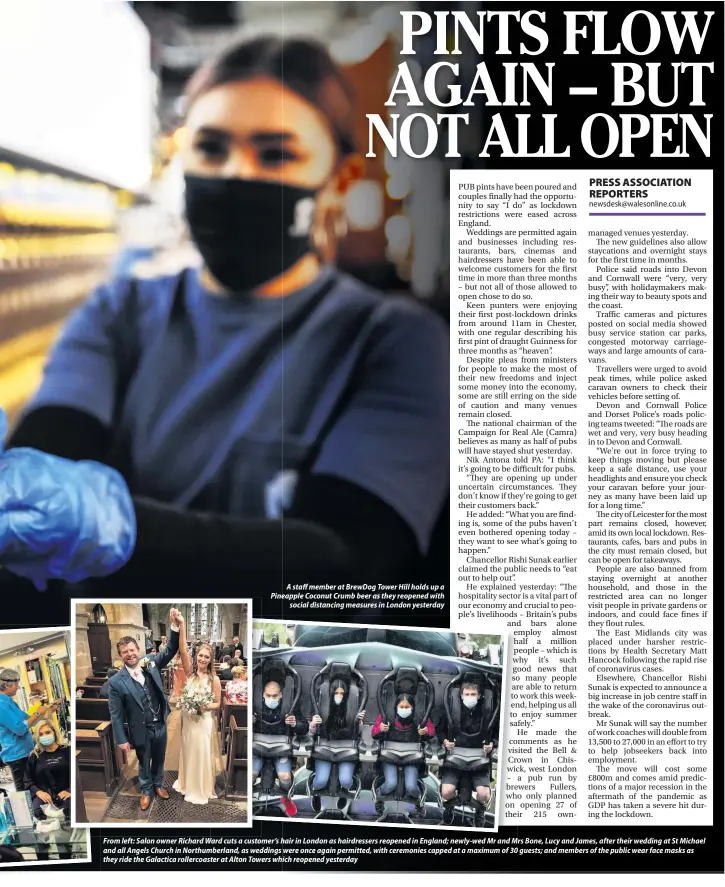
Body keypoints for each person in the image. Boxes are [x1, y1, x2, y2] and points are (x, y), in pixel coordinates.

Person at [0, 35, 448, 602]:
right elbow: (52, 449)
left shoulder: (397, 342)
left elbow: (349, 561)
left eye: (276, 153)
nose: (236, 174)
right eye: (211, 149)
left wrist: (114, 525)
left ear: (338, 179)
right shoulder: (119, 311)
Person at [107, 607, 182, 810]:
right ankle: (146, 790)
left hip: (161, 723)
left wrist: (174, 625)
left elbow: (170, 650)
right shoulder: (116, 682)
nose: (130, 654)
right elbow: (116, 713)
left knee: (159, 757)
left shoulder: (150, 663)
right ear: (121, 655)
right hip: (140, 728)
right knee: (144, 760)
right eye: (125, 652)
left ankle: (158, 784)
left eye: (132, 650)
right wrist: (121, 739)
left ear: (138, 649)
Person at [172, 624, 224, 805]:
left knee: (201, 752)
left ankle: (200, 787)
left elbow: (218, 703)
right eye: (200, 655)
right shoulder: (190, 673)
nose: (202, 659)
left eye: (206, 657)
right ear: (196, 656)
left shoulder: (214, 679)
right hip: (188, 720)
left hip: (203, 721)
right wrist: (181, 626)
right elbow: (182, 649)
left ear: (210, 660)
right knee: (188, 751)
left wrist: (203, 705)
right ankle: (187, 783)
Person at [252, 679, 308, 816]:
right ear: (263, 695)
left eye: (275, 696)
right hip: (258, 747)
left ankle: (287, 798)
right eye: (268, 695)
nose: (271, 698)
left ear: (281, 695)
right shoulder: (255, 707)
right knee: (251, 775)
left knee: (285, 777)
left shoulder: (290, 706)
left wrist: (295, 723)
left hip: (281, 747)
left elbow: (304, 726)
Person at [0, 668, 60, 791]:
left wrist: (48, 710)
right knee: (25, 791)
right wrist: (37, 714)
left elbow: (28, 721)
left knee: (36, 785)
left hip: (27, 751)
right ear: (7, 684)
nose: (18, 687)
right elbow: (20, 729)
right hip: (17, 755)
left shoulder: (9, 702)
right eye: (16, 684)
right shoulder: (1, 705)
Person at [438, 682, 494, 809]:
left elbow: (497, 732)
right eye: (467, 694)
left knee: (483, 794)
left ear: (479, 695)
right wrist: (445, 741)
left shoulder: (487, 711)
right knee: (446, 792)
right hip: (454, 757)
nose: (470, 697)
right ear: (461, 696)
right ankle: (450, 806)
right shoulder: (451, 709)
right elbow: (439, 730)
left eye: (473, 694)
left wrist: (492, 744)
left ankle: (480, 808)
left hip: (479, 757)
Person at [370, 693, 435, 799]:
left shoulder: (420, 718)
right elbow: (374, 733)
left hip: (412, 756)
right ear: (396, 707)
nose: (404, 709)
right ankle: (379, 794)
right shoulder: (386, 716)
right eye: (401, 707)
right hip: (390, 755)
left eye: (407, 707)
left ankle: (419, 800)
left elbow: (432, 733)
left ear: (412, 708)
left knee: (411, 787)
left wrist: (426, 732)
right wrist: (380, 729)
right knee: (391, 784)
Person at [309, 679, 364, 792]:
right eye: (336, 693)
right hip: (325, 744)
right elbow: (313, 731)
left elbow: (357, 732)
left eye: (342, 694)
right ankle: (316, 792)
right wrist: (314, 724)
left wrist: (359, 722)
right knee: (320, 781)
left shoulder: (351, 708)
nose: (339, 696)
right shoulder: (321, 706)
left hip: (347, 746)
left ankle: (343, 792)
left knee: (346, 781)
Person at [24, 719, 71, 820]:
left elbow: (77, 775)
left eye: (47, 732)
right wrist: (39, 792)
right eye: (41, 734)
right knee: (38, 811)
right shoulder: (35, 755)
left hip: (65, 794)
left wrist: (70, 791)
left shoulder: (67, 751)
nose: (45, 736)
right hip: (44, 795)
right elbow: (28, 780)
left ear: (54, 732)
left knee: (66, 811)